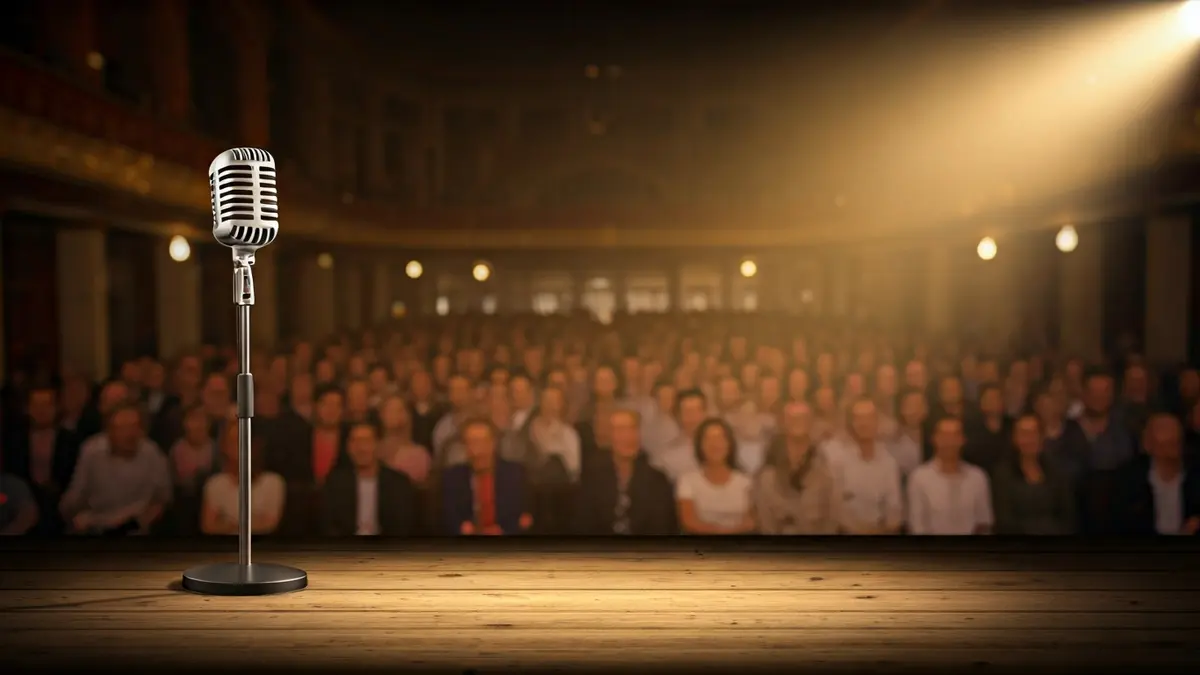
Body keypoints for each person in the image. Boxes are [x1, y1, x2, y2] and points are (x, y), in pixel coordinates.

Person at [60, 403, 172, 535]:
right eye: (122, 428)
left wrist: (143, 521)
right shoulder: (92, 451)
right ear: (109, 432)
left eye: (134, 426)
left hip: (135, 531)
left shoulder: (152, 453)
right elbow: (75, 496)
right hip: (96, 528)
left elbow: (163, 498)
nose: (130, 433)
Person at [574, 409, 678, 535]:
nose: (627, 436)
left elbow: (662, 528)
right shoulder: (592, 477)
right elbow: (584, 526)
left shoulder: (657, 480)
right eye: (620, 430)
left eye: (632, 429)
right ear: (608, 436)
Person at [755, 402, 841, 534]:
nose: (798, 422)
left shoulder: (826, 471)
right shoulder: (768, 476)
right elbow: (766, 523)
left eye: (803, 418)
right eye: (792, 418)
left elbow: (832, 519)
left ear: (811, 423)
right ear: (782, 423)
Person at [321, 420, 419, 536]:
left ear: (377, 445)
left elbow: (403, 528)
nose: (361, 448)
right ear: (348, 447)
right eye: (355, 442)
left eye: (366, 441)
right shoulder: (335, 483)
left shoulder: (399, 483)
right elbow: (328, 528)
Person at [440, 418, 532, 535]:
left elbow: (524, 520)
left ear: (493, 443)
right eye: (471, 443)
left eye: (482, 442)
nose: (477, 451)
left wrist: (504, 532)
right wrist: (462, 528)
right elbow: (449, 518)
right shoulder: (452, 478)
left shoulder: (516, 475)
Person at [1113, 414, 1200, 535]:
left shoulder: (1195, 477)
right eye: (1163, 446)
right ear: (1147, 446)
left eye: (1174, 444)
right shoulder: (1129, 480)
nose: (1170, 454)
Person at [907, 415, 994, 535]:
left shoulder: (978, 477)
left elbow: (984, 523)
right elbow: (917, 526)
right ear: (934, 439)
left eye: (955, 435)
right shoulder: (919, 478)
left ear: (963, 439)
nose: (949, 441)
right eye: (944, 435)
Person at [990, 413, 1076, 534]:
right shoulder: (1003, 474)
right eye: (1024, 434)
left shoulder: (1055, 470)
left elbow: (1067, 514)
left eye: (1033, 433)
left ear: (1041, 437)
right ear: (1015, 438)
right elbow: (1005, 521)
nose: (1029, 439)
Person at [829, 398, 904, 535]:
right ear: (852, 423)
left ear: (877, 422)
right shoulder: (838, 462)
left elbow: (894, 512)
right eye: (859, 418)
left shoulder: (889, 463)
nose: (864, 423)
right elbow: (836, 510)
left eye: (869, 418)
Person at [200, 425, 285, 535]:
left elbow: (269, 526)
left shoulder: (273, 483)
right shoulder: (215, 484)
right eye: (234, 442)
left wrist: (227, 524)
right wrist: (251, 523)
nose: (241, 447)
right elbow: (208, 527)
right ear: (224, 447)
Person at [676, 418, 756, 534]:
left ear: (729, 444)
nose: (715, 444)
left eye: (720, 438)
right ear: (700, 445)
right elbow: (689, 521)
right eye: (708, 439)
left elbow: (750, 522)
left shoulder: (745, 482)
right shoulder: (687, 480)